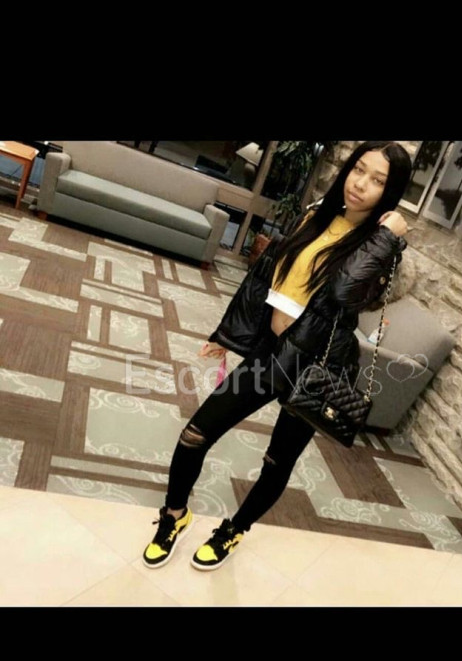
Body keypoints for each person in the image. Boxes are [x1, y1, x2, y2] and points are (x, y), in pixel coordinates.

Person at [142, 141, 412, 572]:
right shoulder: (315, 216)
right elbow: (263, 279)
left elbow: (345, 291)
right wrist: (228, 334)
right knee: (195, 434)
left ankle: (234, 529)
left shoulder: (380, 250)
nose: (361, 184)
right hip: (271, 354)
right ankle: (174, 516)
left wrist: (386, 236)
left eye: (377, 180)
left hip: (318, 365)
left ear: (391, 192)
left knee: (277, 460)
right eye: (359, 169)